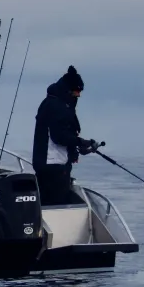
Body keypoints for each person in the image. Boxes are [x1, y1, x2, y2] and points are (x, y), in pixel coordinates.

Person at [32, 65, 100, 205]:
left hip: (50, 165)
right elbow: (59, 137)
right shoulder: (57, 107)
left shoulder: (54, 103)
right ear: (68, 90)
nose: (78, 95)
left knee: (47, 203)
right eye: (76, 91)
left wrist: (78, 149)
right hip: (53, 166)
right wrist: (82, 142)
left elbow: (65, 133)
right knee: (55, 205)